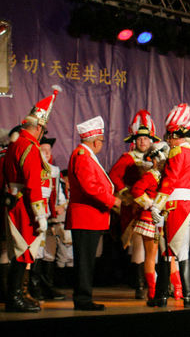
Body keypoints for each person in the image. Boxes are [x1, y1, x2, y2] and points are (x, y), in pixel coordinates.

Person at [2, 86, 61, 312]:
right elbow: (33, 183)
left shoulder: (15, 144)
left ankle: (17, 295)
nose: (42, 134)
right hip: (25, 206)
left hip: (15, 201)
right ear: (38, 127)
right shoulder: (29, 147)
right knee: (23, 251)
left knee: (20, 252)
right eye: (42, 131)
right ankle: (14, 297)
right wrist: (40, 214)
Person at [149, 103, 190, 308]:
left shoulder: (176, 152)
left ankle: (164, 296)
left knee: (167, 252)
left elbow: (169, 181)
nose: (168, 140)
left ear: (174, 135)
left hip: (175, 206)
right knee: (184, 252)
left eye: (169, 136)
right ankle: (186, 295)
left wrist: (156, 205)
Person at [65, 116, 120, 311]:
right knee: (84, 262)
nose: (101, 145)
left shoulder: (85, 155)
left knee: (87, 261)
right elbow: (90, 187)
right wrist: (113, 201)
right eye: (102, 141)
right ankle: (83, 299)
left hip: (90, 217)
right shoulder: (82, 156)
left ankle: (84, 297)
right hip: (86, 217)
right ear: (96, 141)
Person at [108, 110, 159, 299]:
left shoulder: (157, 159)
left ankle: (154, 283)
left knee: (154, 248)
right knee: (138, 245)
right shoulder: (128, 157)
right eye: (139, 139)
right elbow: (114, 176)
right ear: (134, 141)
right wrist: (125, 194)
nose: (143, 142)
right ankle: (140, 285)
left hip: (154, 208)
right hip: (136, 207)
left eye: (146, 139)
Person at [129, 142, 170, 302]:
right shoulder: (150, 175)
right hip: (150, 219)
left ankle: (175, 288)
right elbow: (136, 190)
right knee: (151, 255)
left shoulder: (164, 176)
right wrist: (150, 204)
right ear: (154, 159)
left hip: (163, 219)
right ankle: (152, 291)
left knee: (169, 255)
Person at [29, 135, 66, 301]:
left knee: (50, 251)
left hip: (52, 214)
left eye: (48, 150)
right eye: (43, 150)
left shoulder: (54, 171)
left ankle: (47, 286)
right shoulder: (34, 168)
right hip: (38, 213)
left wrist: (61, 205)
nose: (46, 153)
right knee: (37, 250)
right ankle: (34, 286)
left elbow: (58, 192)